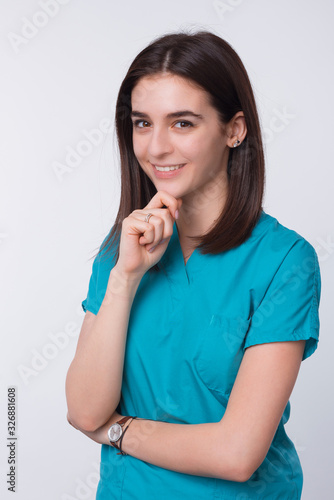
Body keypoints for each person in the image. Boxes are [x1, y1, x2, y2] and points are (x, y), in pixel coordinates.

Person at [65, 30, 321, 499]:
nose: (156, 147)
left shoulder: (284, 261)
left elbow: (236, 454)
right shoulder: (124, 250)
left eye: (182, 123)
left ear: (234, 129)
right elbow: (84, 412)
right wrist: (124, 278)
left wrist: (120, 432)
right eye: (142, 123)